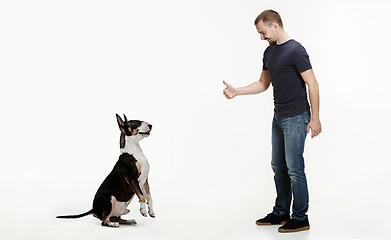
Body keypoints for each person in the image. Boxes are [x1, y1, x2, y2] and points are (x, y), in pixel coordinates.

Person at [223, 9, 322, 233]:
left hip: (296, 117)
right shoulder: (269, 53)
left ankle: (300, 217)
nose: (262, 37)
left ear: (274, 25)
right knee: (278, 166)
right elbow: (263, 84)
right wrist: (237, 91)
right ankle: (281, 212)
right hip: (279, 117)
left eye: (263, 32)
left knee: (295, 169)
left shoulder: (296, 50)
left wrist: (315, 118)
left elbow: (313, 84)